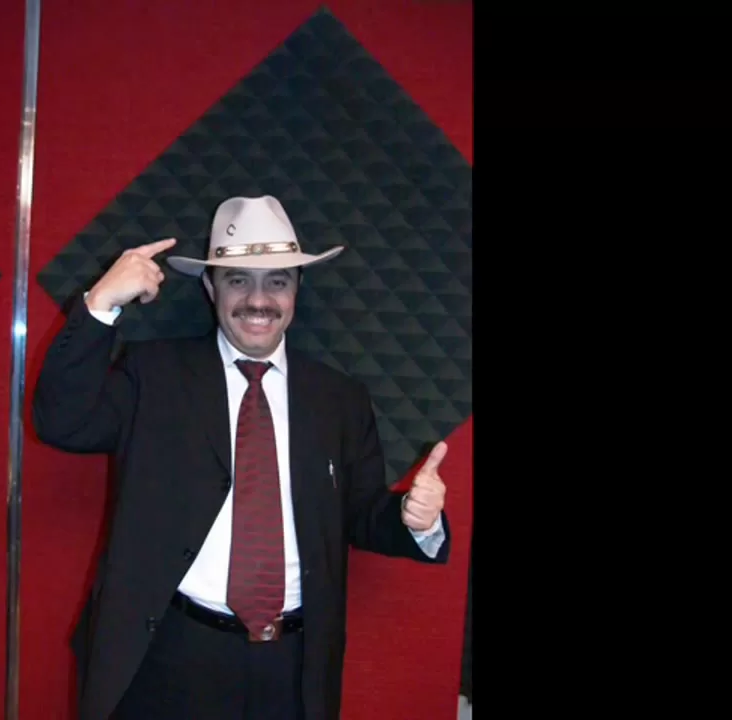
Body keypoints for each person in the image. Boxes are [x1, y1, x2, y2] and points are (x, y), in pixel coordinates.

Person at [33, 195, 453, 720]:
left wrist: (415, 521)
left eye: (277, 281)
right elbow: (62, 420)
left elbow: (360, 512)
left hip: (294, 666)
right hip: (168, 655)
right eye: (238, 280)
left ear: (297, 289)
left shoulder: (339, 399)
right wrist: (100, 306)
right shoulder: (154, 374)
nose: (258, 300)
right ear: (210, 288)